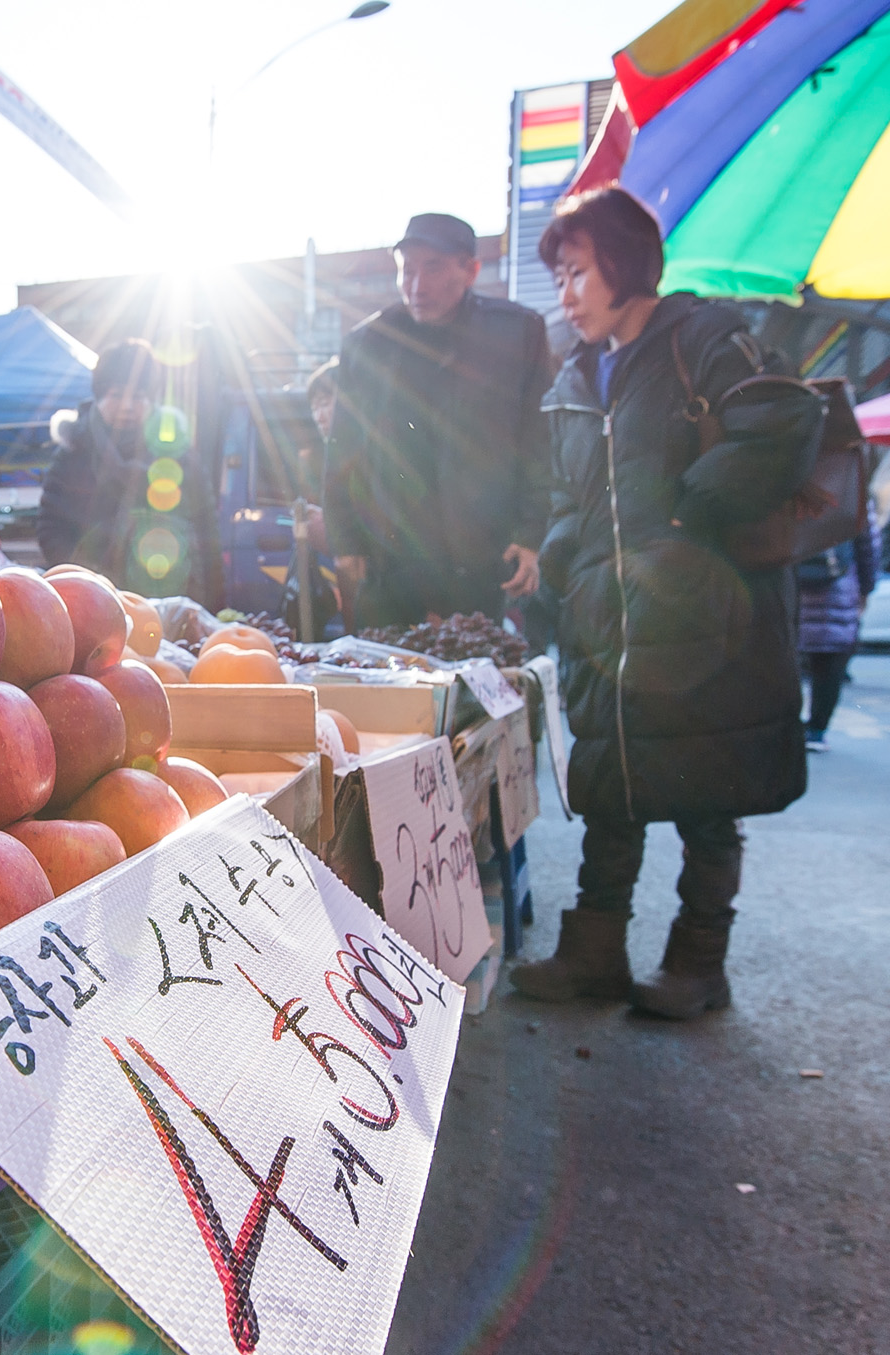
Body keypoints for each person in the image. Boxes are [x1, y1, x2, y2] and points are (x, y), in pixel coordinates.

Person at [510, 187, 822, 1020]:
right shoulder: (575, 376)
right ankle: (594, 955)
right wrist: (567, 564)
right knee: (615, 789)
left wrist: (690, 514)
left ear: (621, 262)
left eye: (576, 272)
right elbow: (568, 493)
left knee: (706, 797)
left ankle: (698, 963)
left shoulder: (706, 338)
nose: (566, 294)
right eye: (560, 277)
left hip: (711, 618)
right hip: (616, 622)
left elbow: (786, 422)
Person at [323, 213, 552, 628]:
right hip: (391, 558)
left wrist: (532, 535)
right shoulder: (368, 344)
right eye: (408, 269)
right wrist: (345, 539)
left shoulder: (516, 334)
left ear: (470, 270)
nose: (417, 285)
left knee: (478, 676)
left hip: (484, 557)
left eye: (433, 267)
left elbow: (538, 442)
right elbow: (342, 447)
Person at [38, 339, 222, 601]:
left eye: (137, 396)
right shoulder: (74, 452)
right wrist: (88, 580)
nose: (127, 406)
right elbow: (51, 528)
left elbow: (207, 534)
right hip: (93, 600)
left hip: (170, 599)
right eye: (117, 395)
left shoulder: (179, 456)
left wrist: (212, 604)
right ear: (100, 397)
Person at [798, 506, 880, 750]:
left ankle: (790, 728)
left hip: (793, 588)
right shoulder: (853, 486)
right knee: (830, 666)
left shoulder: (794, 479)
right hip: (839, 589)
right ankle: (816, 731)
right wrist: (866, 589)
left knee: (786, 663)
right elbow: (869, 547)